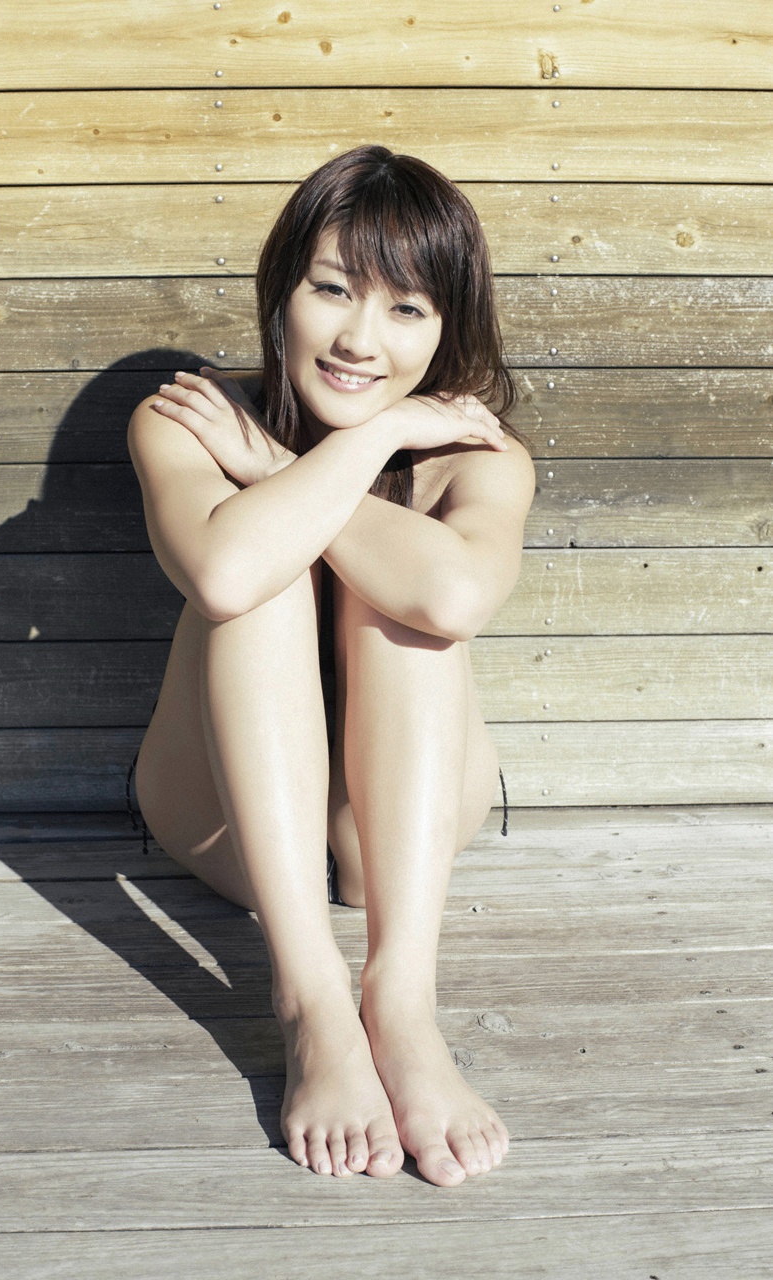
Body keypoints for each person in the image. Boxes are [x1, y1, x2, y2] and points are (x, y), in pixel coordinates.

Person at [127, 145, 535, 1187]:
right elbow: (224, 573)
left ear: (447, 327)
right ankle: (312, 1002)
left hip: (392, 833)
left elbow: (452, 598)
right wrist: (365, 439)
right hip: (225, 825)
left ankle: (401, 1006)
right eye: (332, 290)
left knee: (405, 594)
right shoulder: (192, 418)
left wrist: (295, 464)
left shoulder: (473, 453)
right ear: (282, 291)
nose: (360, 339)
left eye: (407, 309)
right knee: (260, 567)